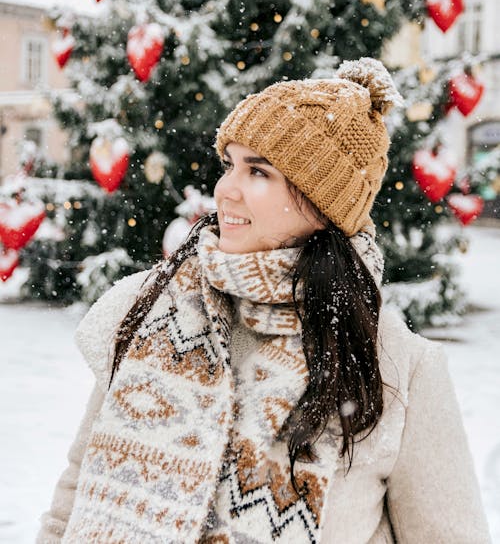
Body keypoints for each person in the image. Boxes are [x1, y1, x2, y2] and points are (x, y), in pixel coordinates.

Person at [37, 58, 490, 544]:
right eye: (230, 164)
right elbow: (72, 502)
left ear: (323, 207)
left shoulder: (396, 365)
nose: (225, 189)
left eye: (258, 172)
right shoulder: (154, 313)